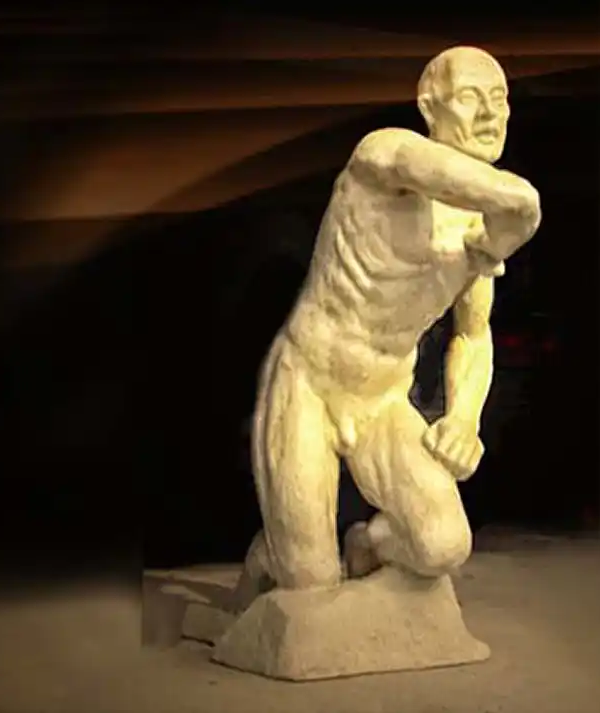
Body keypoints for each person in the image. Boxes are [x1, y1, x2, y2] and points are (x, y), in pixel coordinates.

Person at [230, 46, 541, 611]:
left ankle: (368, 546)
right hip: (309, 383)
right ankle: (275, 553)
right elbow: (510, 199)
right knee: (308, 581)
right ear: (429, 106)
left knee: (443, 545)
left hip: (382, 400)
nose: (489, 115)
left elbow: (473, 334)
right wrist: (516, 216)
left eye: (500, 99)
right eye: (470, 98)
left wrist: (464, 418)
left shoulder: (480, 232)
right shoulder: (383, 155)